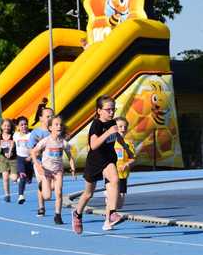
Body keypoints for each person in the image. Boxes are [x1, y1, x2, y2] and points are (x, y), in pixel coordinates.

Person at [73, 96, 126, 235]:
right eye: (108, 110)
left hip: (108, 160)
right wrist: (108, 132)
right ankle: (77, 214)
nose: (111, 112)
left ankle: (112, 214)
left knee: (114, 180)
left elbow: (117, 136)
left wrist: (124, 145)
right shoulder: (96, 125)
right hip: (95, 162)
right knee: (88, 194)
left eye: (113, 109)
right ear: (99, 111)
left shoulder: (112, 122)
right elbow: (94, 145)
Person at [31, 116, 76, 225]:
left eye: (60, 124)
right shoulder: (45, 141)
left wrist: (72, 169)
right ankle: (42, 185)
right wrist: (37, 164)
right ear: (50, 128)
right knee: (47, 196)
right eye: (56, 124)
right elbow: (33, 152)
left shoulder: (63, 143)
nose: (59, 126)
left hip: (58, 171)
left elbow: (70, 157)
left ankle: (58, 215)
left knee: (59, 193)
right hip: (46, 171)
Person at [28, 107, 53, 216]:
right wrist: (36, 163)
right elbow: (31, 150)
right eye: (48, 116)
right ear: (41, 118)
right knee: (42, 183)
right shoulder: (36, 133)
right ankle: (41, 207)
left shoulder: (54, 131)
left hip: (52, 163)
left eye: (52, 116)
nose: (50, 118)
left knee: (51, 186)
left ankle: (43, 185)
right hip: (40, 163)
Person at [113, 117, 136, 210]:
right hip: (112, 172)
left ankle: (116, 210)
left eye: (125, 126)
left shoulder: (128, 144)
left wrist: (127, 164)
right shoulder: (111, 142)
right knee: (111, 192)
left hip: (123, 174)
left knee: (121, 197)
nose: (123, 129)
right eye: (120, 126)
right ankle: (111, 209)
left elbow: (133, 158)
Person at [0, 119, 18, 202]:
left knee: (14, 178)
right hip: (3, 158)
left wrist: (11, 151)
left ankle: (16, 177)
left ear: (11, 127)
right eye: (5, 125)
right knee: (5, 178)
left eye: (8, 126)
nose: (6, 127)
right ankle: (7, 195)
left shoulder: (13, 135)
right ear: (1, 126)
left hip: (13, 159)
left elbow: (15, 145)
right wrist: (1, 146)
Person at [13, 116, 33, 205]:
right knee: (22, 176)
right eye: (21, 125)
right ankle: (21, 195)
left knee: (29, 180)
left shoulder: (31, 135)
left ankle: (23, 178)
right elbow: (12, 144)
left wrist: (31, 157)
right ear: (18, 127)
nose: (24, 126)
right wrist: (9, 152)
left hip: (29, 159)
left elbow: (35, 147)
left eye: (25, 124)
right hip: (20, 158)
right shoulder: (15, 135)